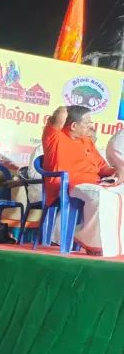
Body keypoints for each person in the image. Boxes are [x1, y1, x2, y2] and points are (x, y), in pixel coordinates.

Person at [43, 105, 124, 256]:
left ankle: (118, 243)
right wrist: (70, 109)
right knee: (100, 195)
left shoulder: (86, 142)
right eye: (87, 122)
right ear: (74, 125)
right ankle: (93, 244)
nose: (90, 126)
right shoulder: (55, 137)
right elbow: (60, 112)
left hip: (96, 183)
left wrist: (117, 170)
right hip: (68, 185)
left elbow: (102, 168)